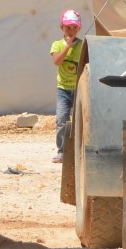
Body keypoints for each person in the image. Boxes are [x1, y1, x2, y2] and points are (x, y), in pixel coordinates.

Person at [49, 10, 86, 163]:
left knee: (81, 119)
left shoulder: (82, 45)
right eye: (68, 28)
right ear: (61, 28)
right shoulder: (57, 44)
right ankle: (62, 151)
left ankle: (80, 150)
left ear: (79, 29)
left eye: (74, 28)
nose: (71, 31)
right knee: (62, 119)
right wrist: (67, 47)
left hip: (78, 88)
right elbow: (57, 61)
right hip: (64, 89)